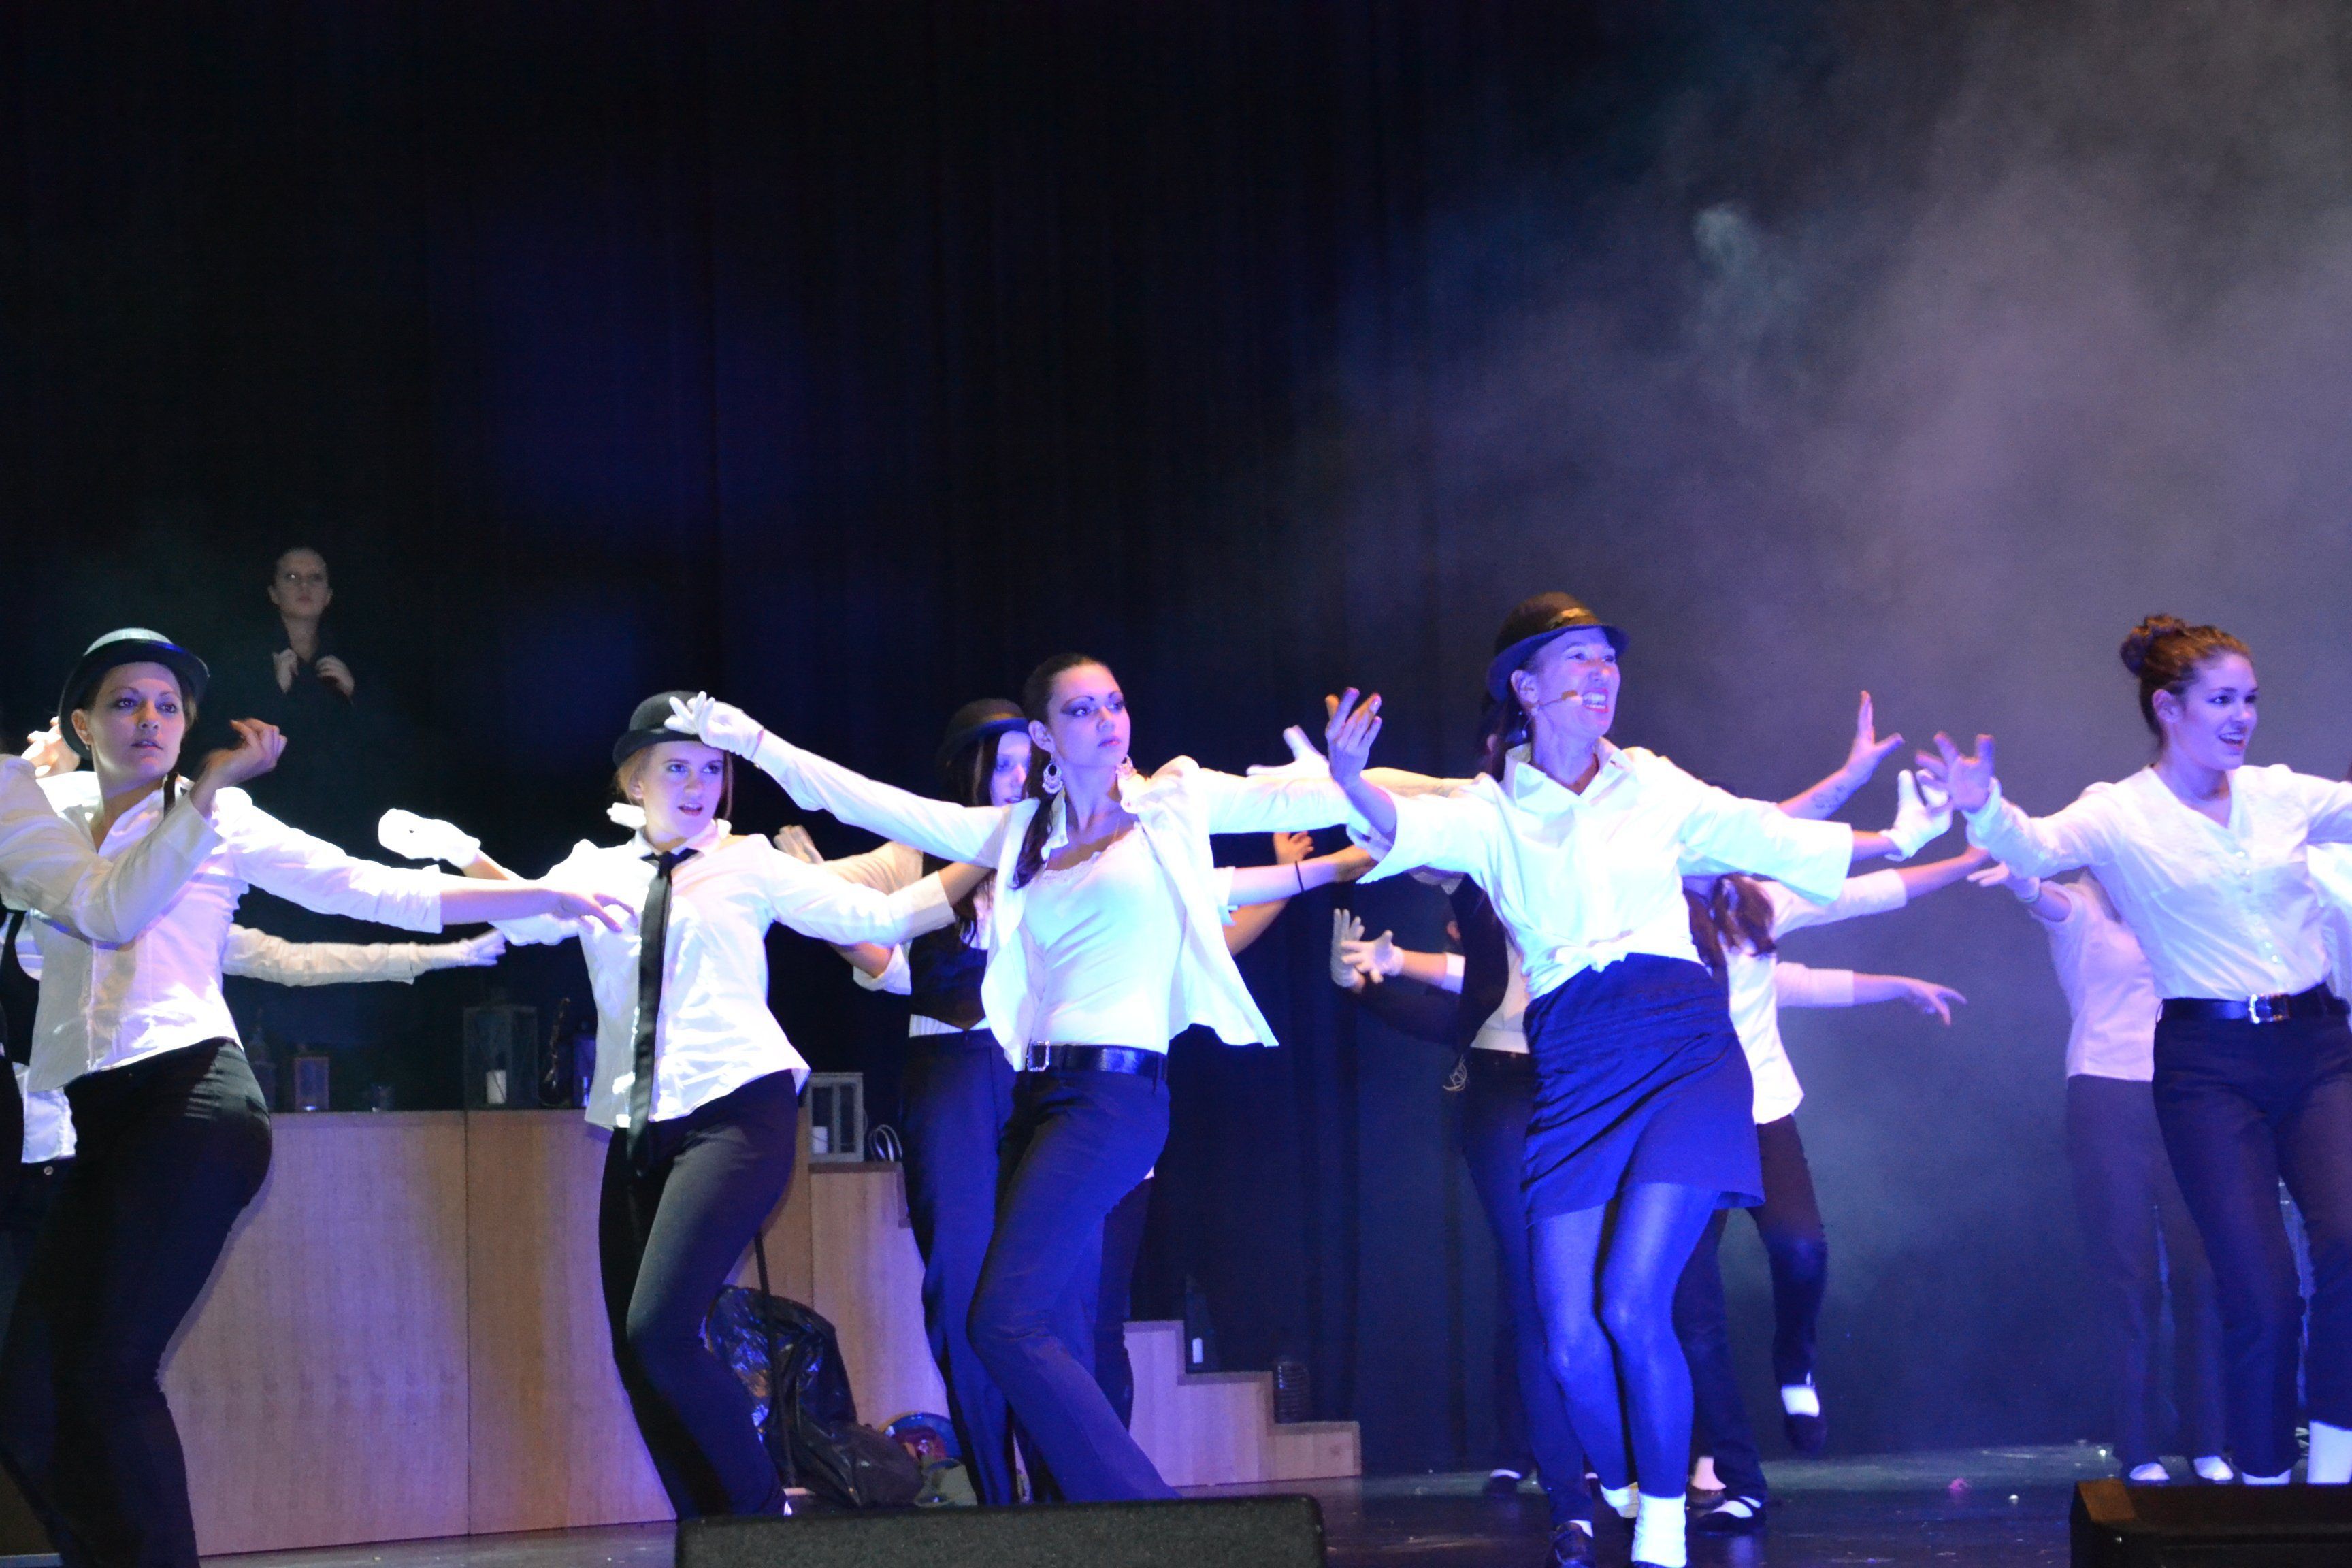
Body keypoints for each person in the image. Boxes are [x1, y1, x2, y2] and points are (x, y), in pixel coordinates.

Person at [1321, 592, 1930, 1568]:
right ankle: (1620, 1482)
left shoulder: (1653, 783)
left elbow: (1771, 835)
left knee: (1633, 1305)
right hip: (1574, 1064)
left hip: (1686, 1046)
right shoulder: (1488, 813)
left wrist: (1901, 838)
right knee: (1567, 1339)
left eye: (1608, 658)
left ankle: (1663, 1527)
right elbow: (1404, 823)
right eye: (1577, 658)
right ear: (1525, 689)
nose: (1601, 673)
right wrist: (1352, 780)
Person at [662, 657, 1359, 1503]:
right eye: (1083, 709)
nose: (1108, 721)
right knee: (1004, 1319)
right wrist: (753, 742)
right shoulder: (1021, 833)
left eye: (1116, 703)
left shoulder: (1170, 799)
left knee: (1018, 1318)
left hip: (1115, 1096)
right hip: (1038, 1094)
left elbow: (1296, 807)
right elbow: (864, 800)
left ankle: (1138, 1513)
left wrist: (1358, 784)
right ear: (1045, 734)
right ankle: (1095, 1514)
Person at [0, 628, 625, 1568]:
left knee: (109, 1372)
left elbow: (360, 888)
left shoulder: (220, 815)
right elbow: (79, 908)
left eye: (169, 706)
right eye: (125, 703)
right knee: (30, 1399)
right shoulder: (41, 816)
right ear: (82, 725)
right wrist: (29, 771)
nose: (151, 721)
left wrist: (533, 897)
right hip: (100, 1121)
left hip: (191, 1103)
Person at [481, 693, 1010, 1520]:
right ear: (633, 781)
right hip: (638, 1126)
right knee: (639, 1355)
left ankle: (766, 1522)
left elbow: (882, 915)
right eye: (677, 768)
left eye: (711, 770)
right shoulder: (595, 870)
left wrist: (992, 843)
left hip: (740, 1111)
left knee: (660, 1330)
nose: (698, 786)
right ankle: (714, 1531)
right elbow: (518, 912)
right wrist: (454, 857)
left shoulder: (749, 862)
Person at [1925, 614, 2352, 1486]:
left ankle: (2339, 1454)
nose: (2242, 718)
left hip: (2315, 1045)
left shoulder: (2278, 793)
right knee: (2260, 1289)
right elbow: (2036, 846)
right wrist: (1982, 806)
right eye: (2221, 701)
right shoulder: (2121, 812)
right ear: (2169, 708)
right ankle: (2265, 1480)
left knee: (2349, 1239)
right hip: (2209, 1065)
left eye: (2250, 700)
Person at [1669, 851, 1981, 1535]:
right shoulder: (1637, 899)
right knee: (1694, 1315)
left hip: (1761, 1111)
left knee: (1802, 1248)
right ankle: (1737, 1480)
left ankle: (1795, 1360)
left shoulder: (1754, 900)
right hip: (1681, 1128)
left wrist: (1973, 852)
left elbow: (1863, 894)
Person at [1969, 860, 2232, 1485]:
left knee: (2202, 1273)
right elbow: (2040, 898)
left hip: (2188, 1093)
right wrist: (2017, 874)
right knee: (2130, 1277)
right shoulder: (2083, 909)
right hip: (2107, 1096)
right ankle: (2138, 1447)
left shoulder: (2171, 902)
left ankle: (2209, 1440)